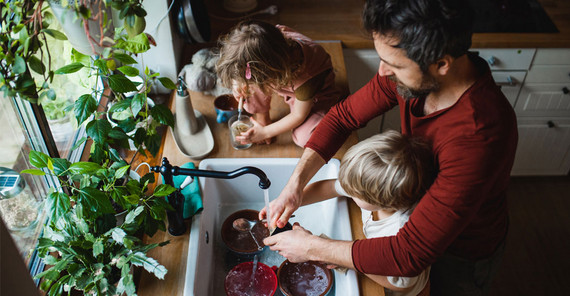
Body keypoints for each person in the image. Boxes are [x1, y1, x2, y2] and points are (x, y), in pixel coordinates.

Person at [262, 0, 518, 295]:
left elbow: (409, 254)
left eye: (394, 64)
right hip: (409, 217)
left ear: (442, 64)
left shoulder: (479, 135)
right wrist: (295, 185)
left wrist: (312, 247)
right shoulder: (412, 78)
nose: (382, 72)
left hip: (461, 251)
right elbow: (342, 118)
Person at [301, 131, 434, 295]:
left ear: (381, 203)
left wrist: (347, 260)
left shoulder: (400, 229)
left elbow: (400, 283)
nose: (346, 189)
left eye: (353, 192)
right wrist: (295, 202)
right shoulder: (371, 190)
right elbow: (329, 187)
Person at [216, 20, 341, 147]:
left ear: (274, 75)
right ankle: (262, 117)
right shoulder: (268, 39)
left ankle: (324, 107)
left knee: (306, 139)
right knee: (248, 85)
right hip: (276, 74)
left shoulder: (307, 77)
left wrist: (265, 132)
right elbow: (246, 63)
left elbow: (298, 115)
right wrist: (237, 83)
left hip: (315, 93)